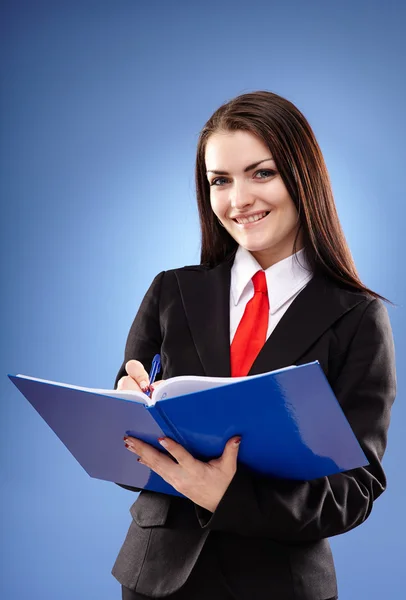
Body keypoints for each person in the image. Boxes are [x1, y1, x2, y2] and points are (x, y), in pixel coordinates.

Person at [111, 91, 396, 600]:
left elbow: (355, 491)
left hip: (280, 582)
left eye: (261, 173)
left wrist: (228, 495)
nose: (238, 200)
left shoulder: (356, 317)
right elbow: (123, 456)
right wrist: (127, 419)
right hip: (156, 580)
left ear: (301, 176)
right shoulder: (171, 292)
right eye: (220, 180)